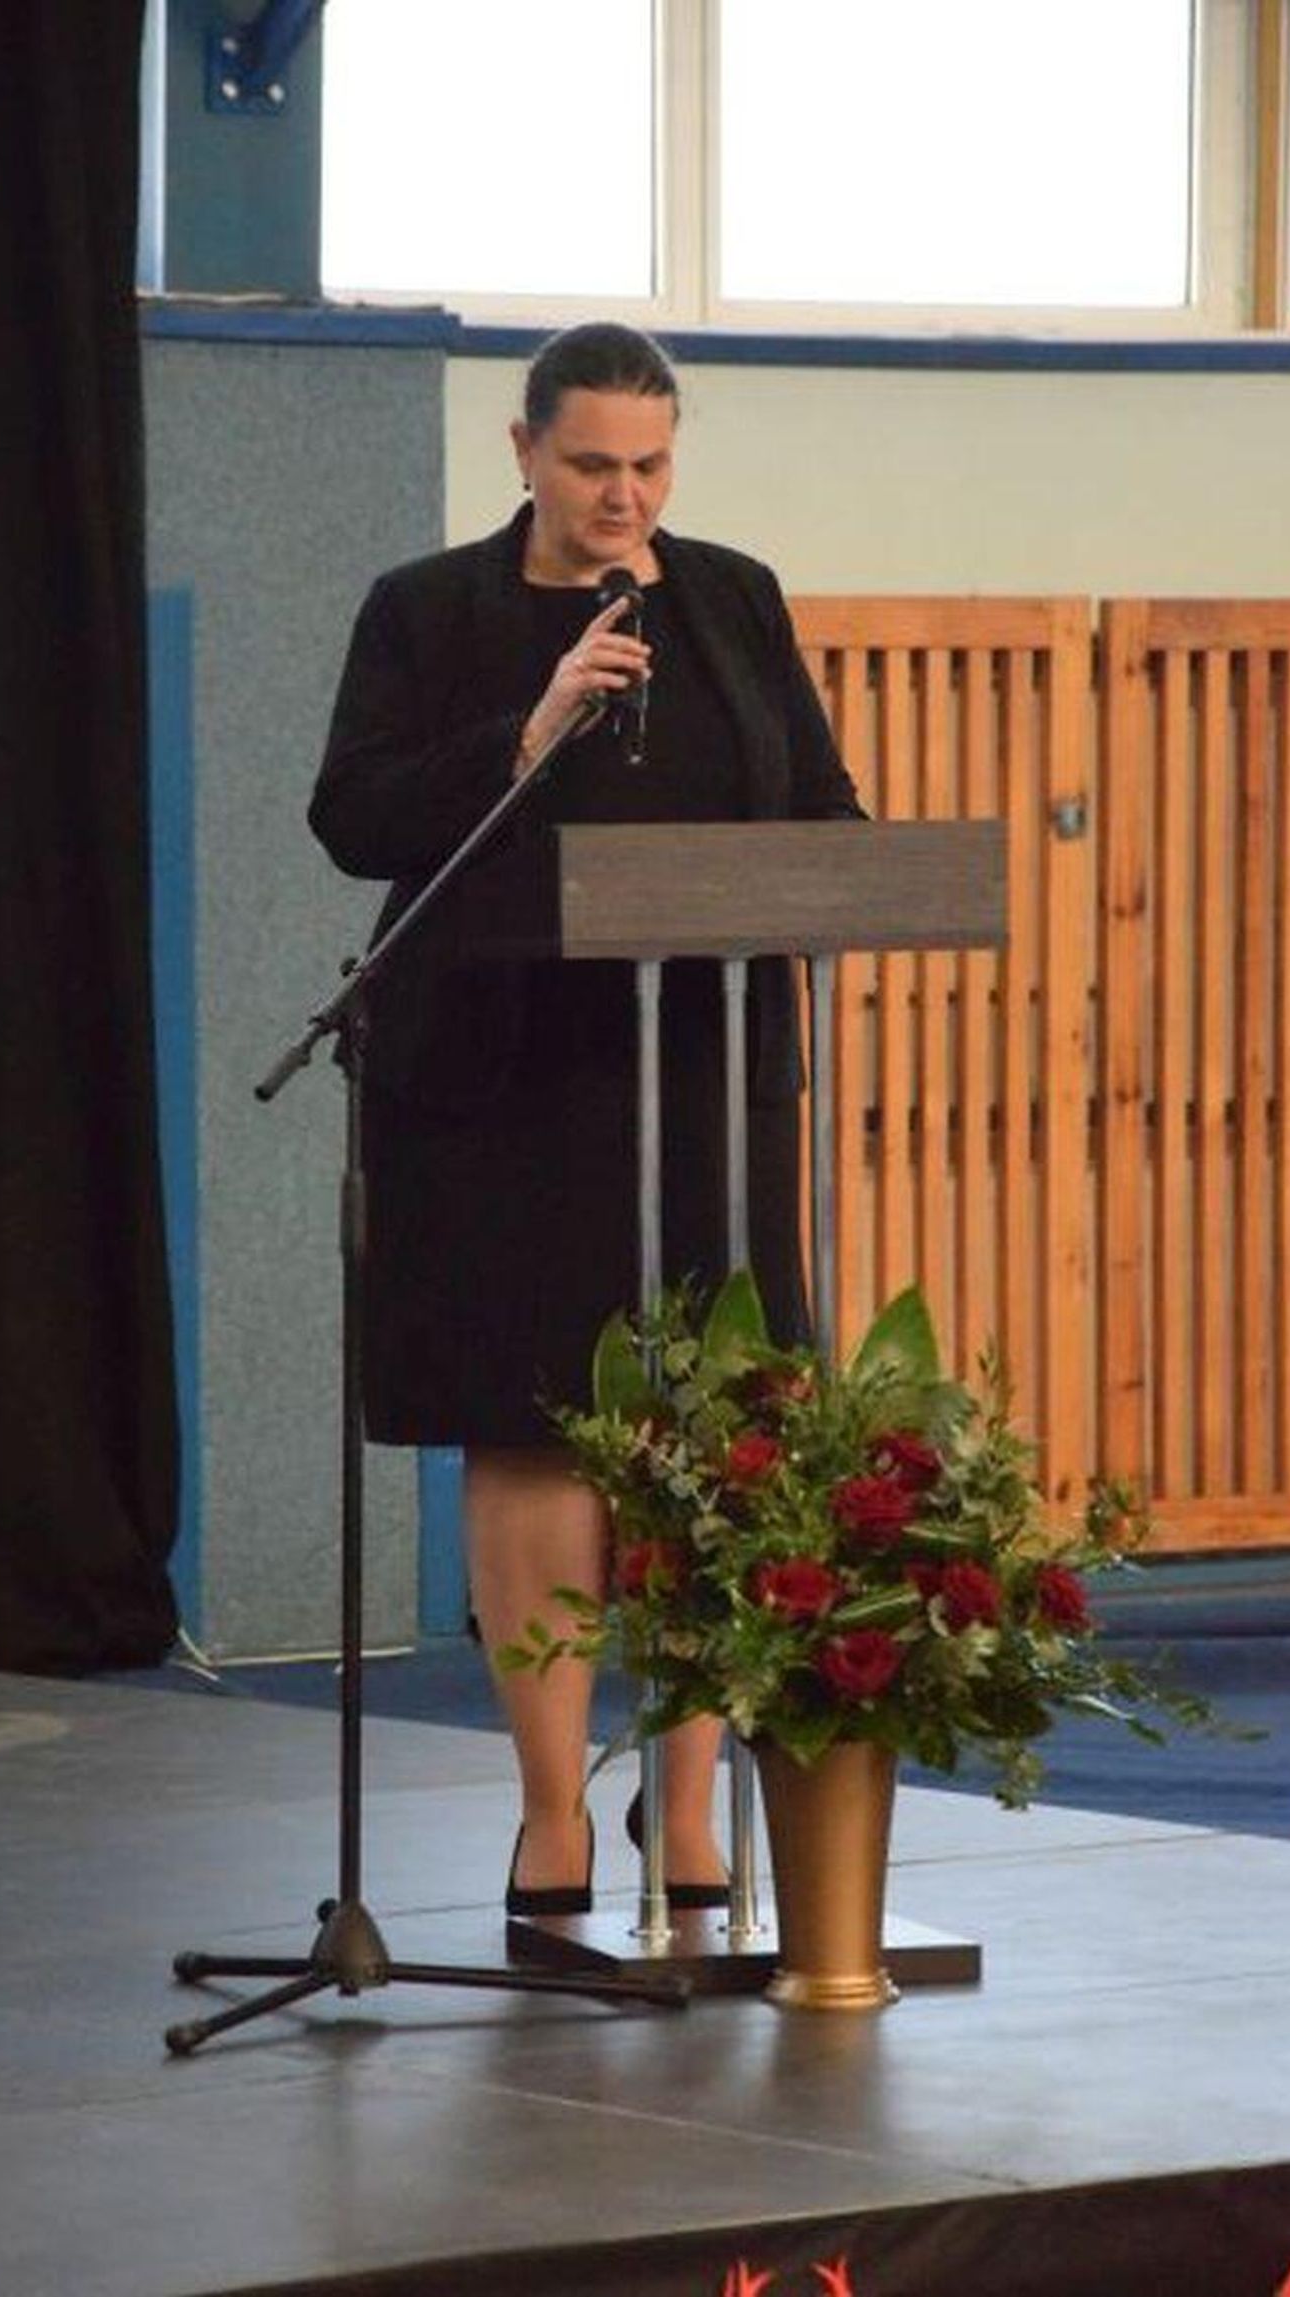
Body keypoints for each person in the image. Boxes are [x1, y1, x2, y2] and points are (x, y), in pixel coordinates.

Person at [309, 323, 866, 1914]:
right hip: (502, 1089)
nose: (624, 496)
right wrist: (530, 726)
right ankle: (551, 1807)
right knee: (532, 1423)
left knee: (710, 1435)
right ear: (523, 452)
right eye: (591, 465)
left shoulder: (732, 599)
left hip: (701, 1073)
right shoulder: (428, 610)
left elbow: (820, 813)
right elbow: (355, 814)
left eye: (650, 465)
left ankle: (681, 1809)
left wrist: (840, 871)